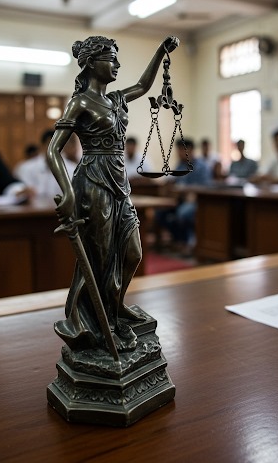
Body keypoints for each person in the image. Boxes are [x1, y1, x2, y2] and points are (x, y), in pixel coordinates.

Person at [47, 35, 180, 352]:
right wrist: (67, 192)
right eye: (111, 58)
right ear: (92, 63)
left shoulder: (117, 99)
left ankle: (116, 306)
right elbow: (53, 151)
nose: (117, 64)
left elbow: (143, 86)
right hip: (93, 181)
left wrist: (160, 51)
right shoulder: (80, 103)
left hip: (120, 183)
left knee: (132, 252)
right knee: (103, 259)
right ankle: (105, 322)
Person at [155, 138, 212, 255]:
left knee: (183, 213)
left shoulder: (202, 166)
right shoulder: (180, 165)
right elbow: (173, 181)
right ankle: (178, 240)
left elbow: (206, 187)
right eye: (178, 150)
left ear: (190, 150)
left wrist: (187, 190)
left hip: (197, 201)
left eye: (181, 150)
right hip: (180, 200)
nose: (179, 153)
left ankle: (189, 243)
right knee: (160, 213)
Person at [15, 129, 80, 197]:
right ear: (42, 146)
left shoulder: (73, 169)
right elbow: (17, 190)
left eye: (58, 146)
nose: (54, 150)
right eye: (50, 145)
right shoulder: (25, 168)